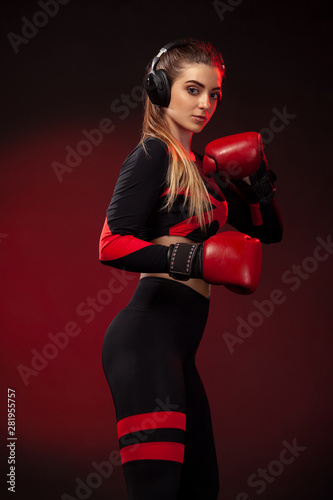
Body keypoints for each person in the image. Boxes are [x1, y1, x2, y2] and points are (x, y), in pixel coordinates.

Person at [99, 39, 283, 500]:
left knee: (200, 489)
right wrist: (192, 258)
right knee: (157, 489)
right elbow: (110, 244)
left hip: (181, 349)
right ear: (161, 90)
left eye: (214, 94)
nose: (205, 104)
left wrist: (260, 184)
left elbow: (268, 233)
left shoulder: (205, 172)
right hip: (146, 340)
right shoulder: (152, 155)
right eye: (194, 90)